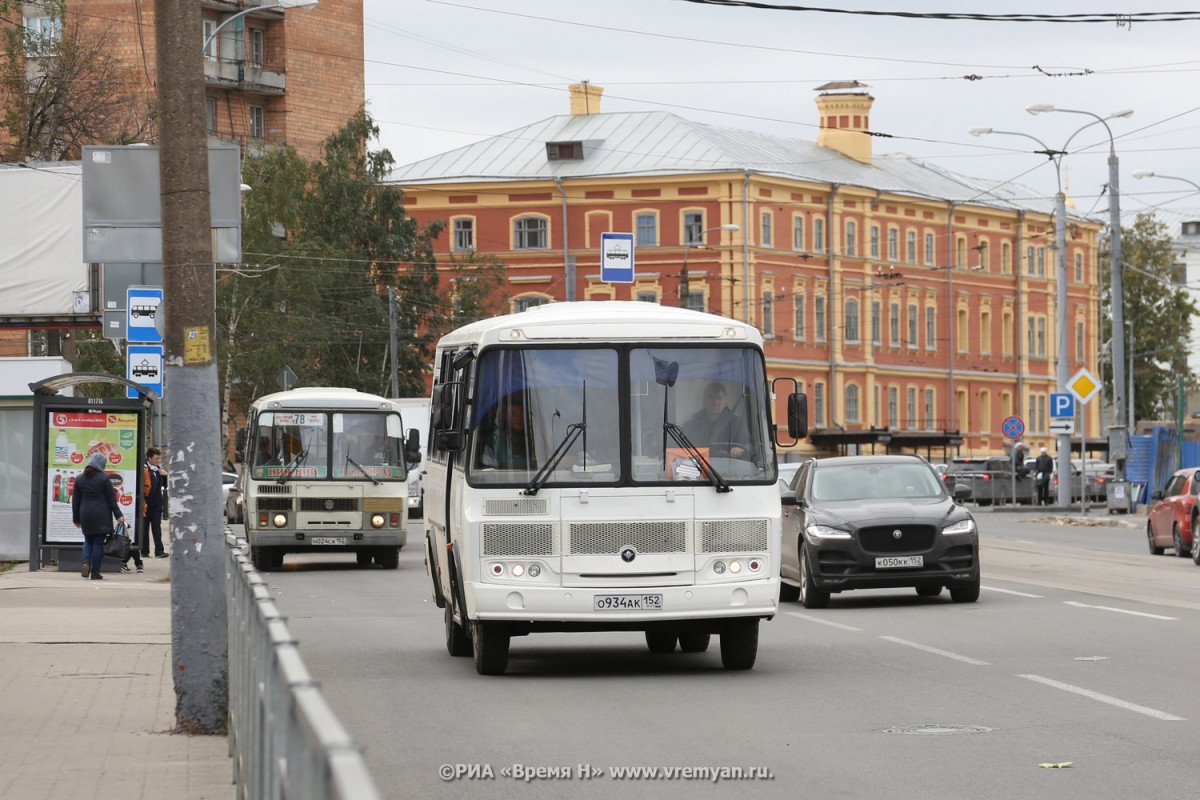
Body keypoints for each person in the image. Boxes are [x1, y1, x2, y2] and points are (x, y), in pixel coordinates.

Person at [71, 452, 125, 581]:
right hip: (101, 514)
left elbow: (75, 501)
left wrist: (76, 519)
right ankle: (95, 572)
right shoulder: (104, 478)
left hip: (85, 513)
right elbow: (111, 499)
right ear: (101, 464)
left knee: (88, 540)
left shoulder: (79, 479)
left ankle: (86, 563)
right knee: (98, 543)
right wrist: (118, 515)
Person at [682, 382, 750, 458]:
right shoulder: (691, 426)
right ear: (704, 400)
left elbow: (748, 449)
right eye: (711, 397)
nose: (715, 402)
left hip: (728, 465)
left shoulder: (738, 425)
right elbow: (681, 451)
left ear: (725, 402)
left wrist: (740, 450)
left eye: (719, 398)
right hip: (697, 465)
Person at [479, 394, 534, 469]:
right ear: (504, 415)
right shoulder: (497, 436)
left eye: (521, 413)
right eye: (513, 414)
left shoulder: (525, 437)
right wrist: (537, 463)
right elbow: (508, 462)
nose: (519, 417)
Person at [141, 447, 167, 558]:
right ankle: (144, 551)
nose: (158, 461)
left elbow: (163, 486)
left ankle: (159, 551)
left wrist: (164, 476)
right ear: (149, 458)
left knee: (156, 527)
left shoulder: (158, 469)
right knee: (144, 528)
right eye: (156, 458)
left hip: (156, 504)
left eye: (158, 458)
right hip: (146, 503)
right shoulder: (144, 469)